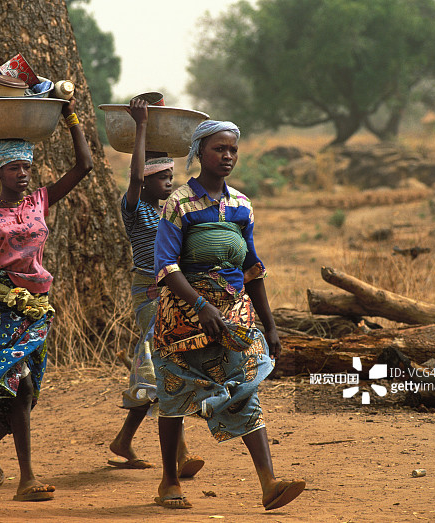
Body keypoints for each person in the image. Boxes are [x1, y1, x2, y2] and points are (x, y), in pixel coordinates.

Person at [150, 120, 305, 510]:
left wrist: (270, 325)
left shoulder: (241, 205)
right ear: (200, 152)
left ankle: (269, 483)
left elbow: (252, 269)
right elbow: (166, 266)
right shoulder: (179, 203)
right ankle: (169, 481)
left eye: (233, 149)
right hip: (183, 320)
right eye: (219, 148)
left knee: (245, 388)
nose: (228, 156)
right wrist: (200, 306)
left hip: (234, 318)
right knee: (175, 396)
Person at [0, 98, 93, 502]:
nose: (23, 174)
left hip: (38, 307)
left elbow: (84, 166)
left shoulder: (39, 201)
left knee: (29, 392)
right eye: (14, 168)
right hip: (1, 307)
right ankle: (26, 478)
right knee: (19, 385)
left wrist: (70, 116)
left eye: (27, 167)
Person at [108, 98, 204, 478]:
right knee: (161, 361)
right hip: (148, 289)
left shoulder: (169, 211)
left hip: (172, 289)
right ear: (146, 180)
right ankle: (181, 454)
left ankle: (124, 440)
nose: (169, 182)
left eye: (171, 176)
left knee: (163, 363)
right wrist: (142, 126)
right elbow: (132, 178)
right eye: (163, 177)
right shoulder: (134, 209)